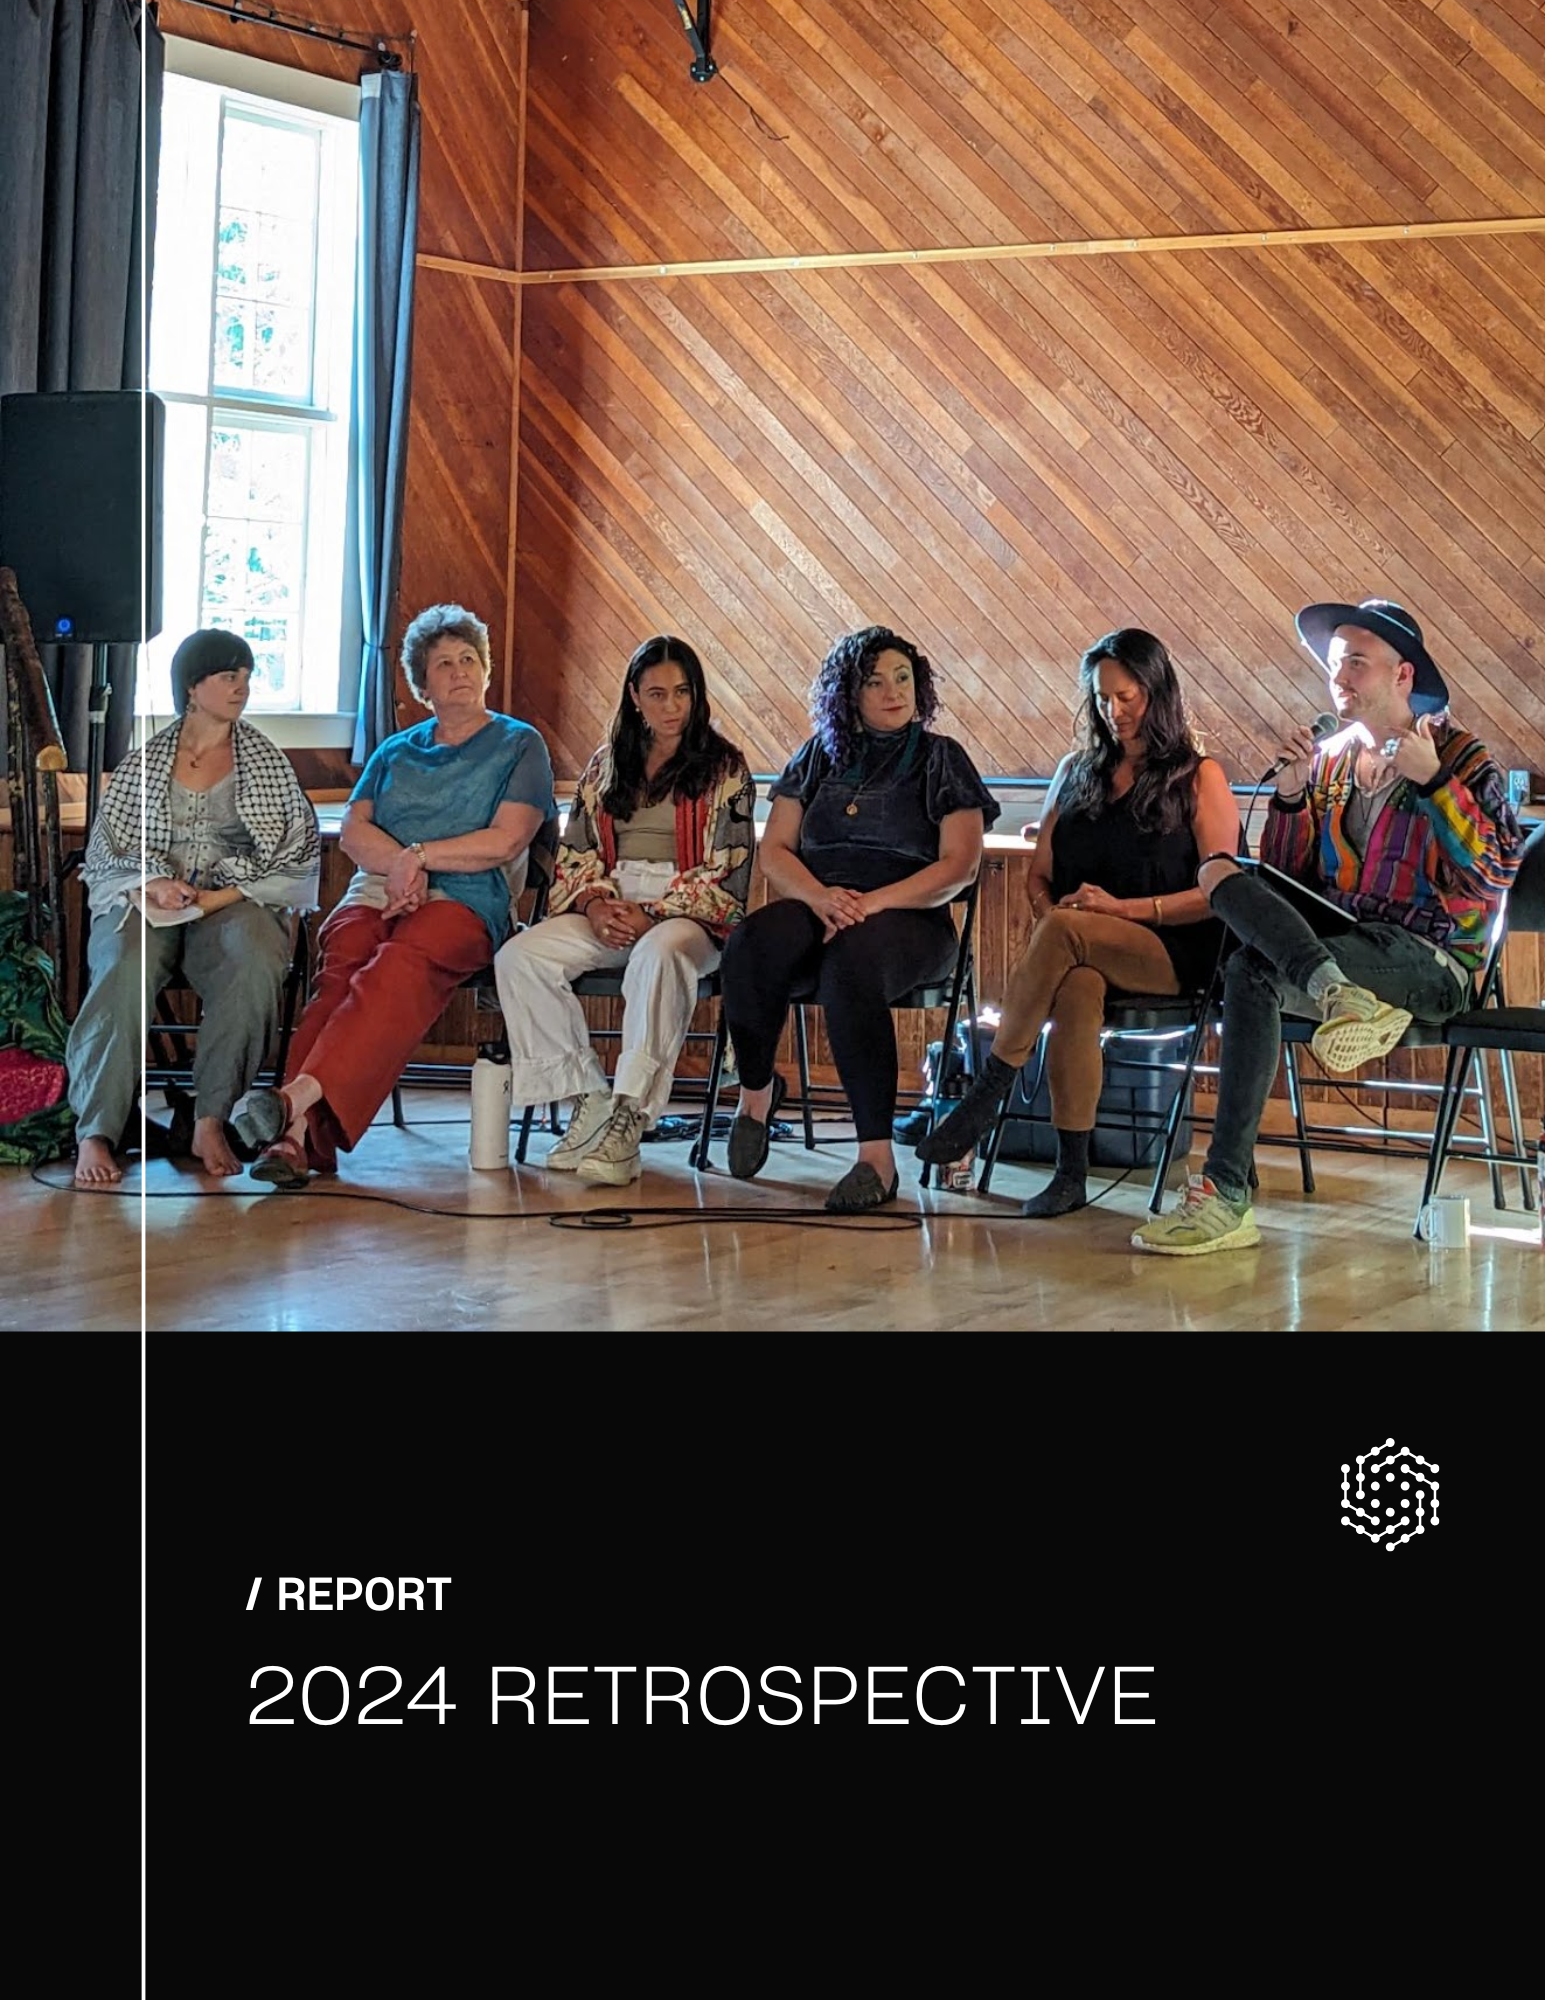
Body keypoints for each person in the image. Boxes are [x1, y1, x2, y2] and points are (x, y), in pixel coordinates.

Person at [1133, 596, 1522, 1256]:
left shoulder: (1460, 757)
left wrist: (1433, 788)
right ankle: (1229, 1194)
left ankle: (1228, 1185)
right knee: (1224, 889)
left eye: (1355, 665)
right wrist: (1289, 794)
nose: (1337, 680)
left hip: (1429, 960)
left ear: (1403, 676)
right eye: (1333, 666)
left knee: (1253, 966)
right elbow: (1290, 886)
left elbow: (1490, 880)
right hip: (1342, 944)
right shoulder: (1333, 760)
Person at [916, 629, 1240, 1215]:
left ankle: (989, 1090)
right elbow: (1038, 877)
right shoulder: (1075, 771)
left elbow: (1219, 893)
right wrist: (1056, 920)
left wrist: (1113, 913)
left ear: (1157, 691)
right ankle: (1071, 1174)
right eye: (1102, 698)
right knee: (1076, 985)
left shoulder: (1199, 776)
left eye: (1127, 696)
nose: (1113, 711)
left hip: (1175, 949)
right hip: (1082, 946)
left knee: (1069, 935)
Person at [232, 603, 556, 1187]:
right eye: (442, 664)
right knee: (345, 965)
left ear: (484, 671)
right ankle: (299, 1136)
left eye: (468, 659)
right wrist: (402, 868)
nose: (459, 671)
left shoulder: (519, 744)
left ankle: (293, 1107)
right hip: (380, 884)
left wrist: (422, 859)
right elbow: (354, 832)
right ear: (421, 686)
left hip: (467, 894)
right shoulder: (394, 750)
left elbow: (508, 839)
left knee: (398, 962)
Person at [718, 624, 999, 1212]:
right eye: (875, 682)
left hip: (909, 917)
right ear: (849, 693)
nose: (893, 692)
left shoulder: (941, 759)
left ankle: (876, 1160)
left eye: (903, 678)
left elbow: (959, 866)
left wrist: (868, 903)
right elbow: (775, 851)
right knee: (750, 944)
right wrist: (822, 898)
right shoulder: (818, 753)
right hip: (820, 901)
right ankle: (755, 1097)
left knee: (851, 963)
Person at [494, 636, 756, 1185]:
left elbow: (729, 870)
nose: (671, 707)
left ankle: (630, 1113)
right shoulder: (606, 764)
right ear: (635, 696)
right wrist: (592, 904)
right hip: (609, 901)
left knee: (659, 953)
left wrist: (656, 914)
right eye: (657, 693)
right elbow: (576, 850)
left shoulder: (726, 768)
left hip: (688, 915)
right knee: (521, 957)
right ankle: (589, 1097)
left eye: (682, 693)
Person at [66, 630, 319, 1188]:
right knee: (122, 964)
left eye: (247, 677)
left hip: (235, 899)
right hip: (150, 899)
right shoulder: (145, 761)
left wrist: (220, 896)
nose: (242, 689)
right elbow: (109, 849)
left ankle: (211, 1118)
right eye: (230, 676)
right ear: (193, 685)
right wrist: (152, 882)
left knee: (253, 959)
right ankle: (97, 1129)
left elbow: (294, 850)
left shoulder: (265, 761)